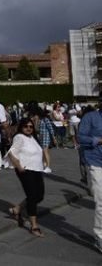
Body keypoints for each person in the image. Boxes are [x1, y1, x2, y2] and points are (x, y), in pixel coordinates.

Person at [6, 117, 45, 237]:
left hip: (37, 169)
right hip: (26, 170)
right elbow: (11, 153)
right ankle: (34, 226)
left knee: (39, 196)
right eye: (26, 126)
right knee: (32, 196)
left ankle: (17, 209)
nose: (28, 128)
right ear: (21, 127)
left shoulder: (33, 138)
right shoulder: (19, 137)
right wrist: (19, 166)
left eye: (31, 126)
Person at [78, 101, 102, 254]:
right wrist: (98, 140)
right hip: (96, 162)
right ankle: (100, 236)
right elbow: (81, 137)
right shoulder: (91, 117)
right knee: (101, 200)